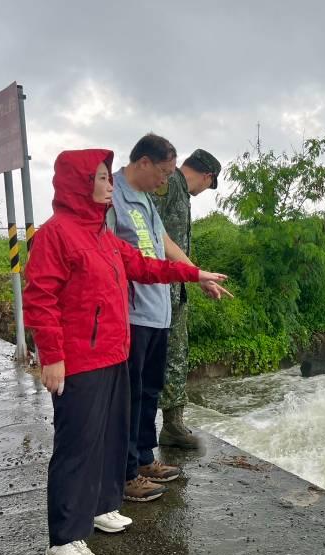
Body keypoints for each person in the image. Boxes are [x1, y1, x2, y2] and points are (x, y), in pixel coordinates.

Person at [24, 148, 229, 555]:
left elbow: (144, 265)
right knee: (77, 447)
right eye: (101, 179)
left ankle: (99, 507)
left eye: (107, 178)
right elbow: (39, 300)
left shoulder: (102, 234)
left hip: (114, 354)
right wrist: (53, 357)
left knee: (111, 438)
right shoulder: (56, 234)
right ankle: (62, 539)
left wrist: (195, 273)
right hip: (79, 361)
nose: (108, 186)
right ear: (79, 184)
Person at [108, 133, 232, 502]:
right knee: (128, 397)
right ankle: (126, 472)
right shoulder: (112, 196)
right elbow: (108, 257)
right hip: (131, 313)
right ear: (144, 163)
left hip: (158, 309)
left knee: (148, 391)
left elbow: (165, 243)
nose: (166, 181)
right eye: (162, 172)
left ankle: (144, 459)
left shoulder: (146, 197)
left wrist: (199, 275)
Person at [151, 148, 221, 449]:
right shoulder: (168, 188)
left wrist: (195, 277)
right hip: (156, 289)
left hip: (172, 288)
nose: (206, 189)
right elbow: (155, 238)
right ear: (207, 176)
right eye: (210, 183)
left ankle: (173, 425)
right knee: (160, 355)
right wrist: (196, 274)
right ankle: (164, 428)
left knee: (176, 352)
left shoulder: (178, 191)